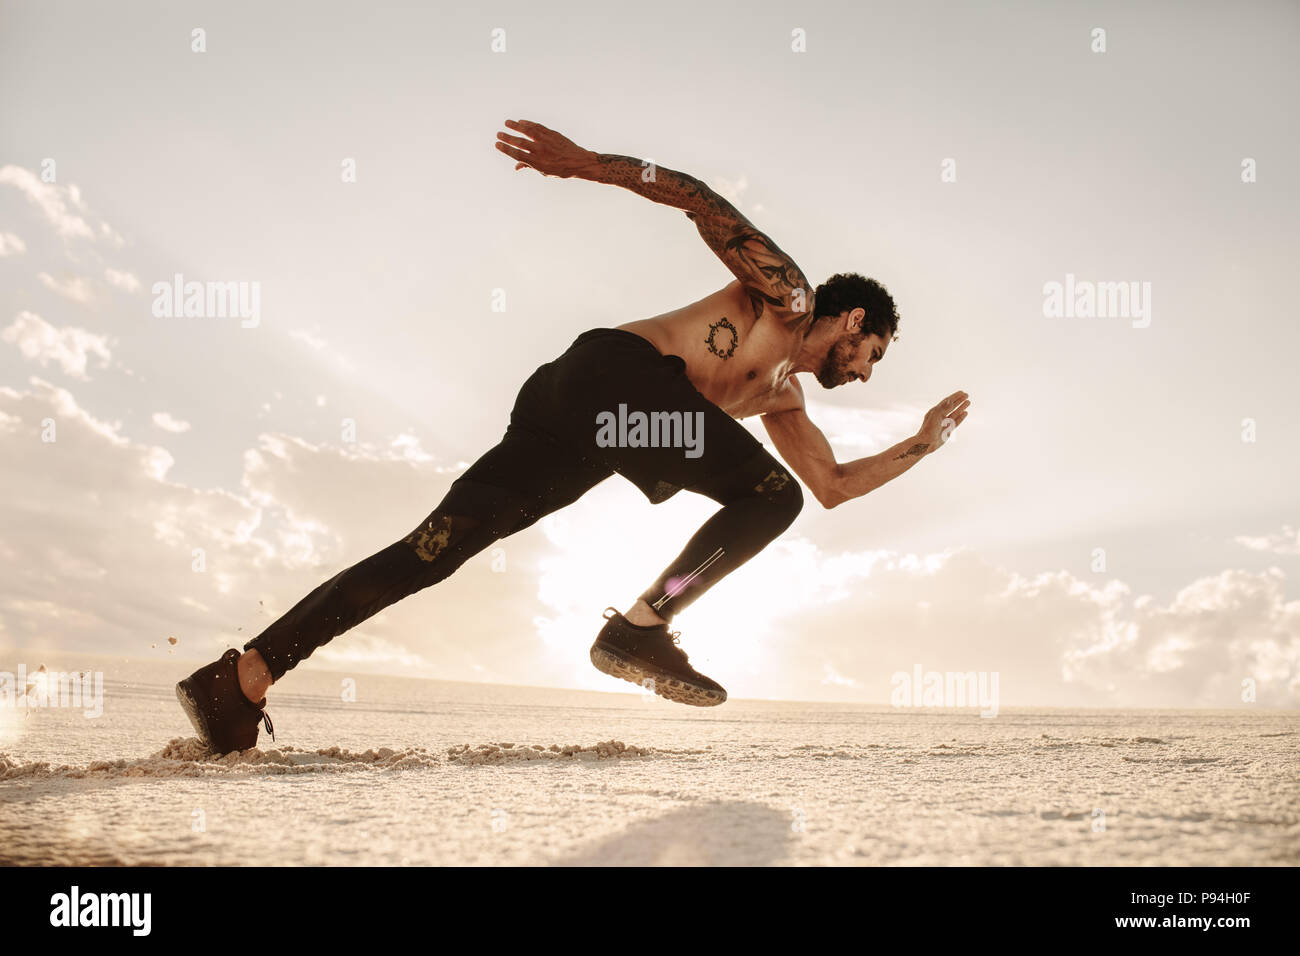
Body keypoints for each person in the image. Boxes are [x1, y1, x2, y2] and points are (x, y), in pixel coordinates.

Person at [176, 118, 971, 754]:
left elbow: (831, 488)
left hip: (578, 415)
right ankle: (641, 630)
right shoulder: (788, 297)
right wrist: (586, 163)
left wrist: (921, 445)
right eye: (871, 355)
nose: (866, 373)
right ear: (856, 321)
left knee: (436, 547)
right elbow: (700, 200)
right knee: (766, 493)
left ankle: (245, 674)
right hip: (614, 379)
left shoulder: (785, 398)